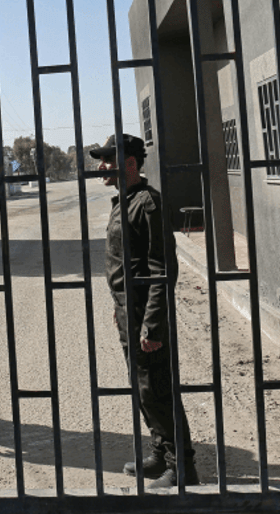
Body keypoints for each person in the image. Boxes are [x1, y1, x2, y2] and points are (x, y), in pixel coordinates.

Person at [90, 133, 198, 488]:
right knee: (143, 388)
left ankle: (182, 467)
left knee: (157, 389)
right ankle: (160, 453)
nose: (101, 166)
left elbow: (161, 267)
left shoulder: (147, 204)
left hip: (145, 318)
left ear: (131, 164)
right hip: (128, 312)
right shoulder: (125, 201)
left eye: (108, 160)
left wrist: (151, 323)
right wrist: (120, 308)